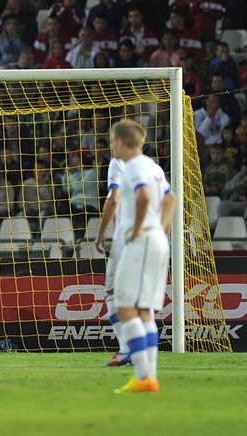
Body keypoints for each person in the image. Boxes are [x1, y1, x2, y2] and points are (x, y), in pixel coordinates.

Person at [109, 118, 176, 393]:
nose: (112, 145)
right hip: (158, 239)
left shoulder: (134, 166)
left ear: (122, 142)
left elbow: (145, 197)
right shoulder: (154, 166)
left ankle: (143, 375)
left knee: (123, 306)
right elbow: (171, 199)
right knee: (144, 310)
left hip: (143, 240)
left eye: (113, 141)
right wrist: (160, 229)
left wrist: (137, 230)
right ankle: (149, 377)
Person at [95, 153, 131, 367]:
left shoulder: (118, 162)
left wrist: (101, 233)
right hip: (150, 238)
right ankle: (140, 354)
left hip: (125, 237)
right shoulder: (152, 167)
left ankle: (127, 349)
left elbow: (114, 197)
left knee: (112, 293)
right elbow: (169, 201)